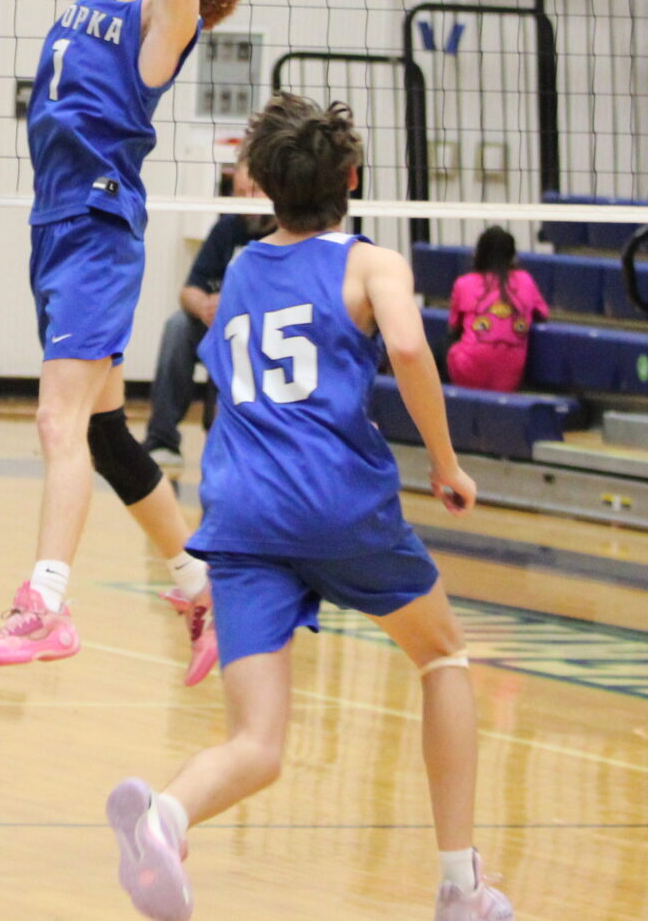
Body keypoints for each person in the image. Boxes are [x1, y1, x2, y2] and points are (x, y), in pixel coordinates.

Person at [106, 94, 510, 921]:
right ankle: (461, 889)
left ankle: (166, 816)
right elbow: (405, 345)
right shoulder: (371, 263)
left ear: (261, 186)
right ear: (353, 179)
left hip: (240, 518)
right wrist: (444, 462)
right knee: (442, 659)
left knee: (258, 742)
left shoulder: (245, 269)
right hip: (335, 502)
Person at [0, 0, 245, 678]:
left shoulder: (170, 21)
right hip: (56, 221)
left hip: (96, 222)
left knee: (55, 423)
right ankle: (200, 586)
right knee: (105, 432)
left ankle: (45, 604)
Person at [139, 162, 272, 469]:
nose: (247, 200)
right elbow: (188, 290)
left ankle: (242, 441)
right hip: (223, 328)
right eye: (240, 192)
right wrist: (204, 305)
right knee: (178, 326)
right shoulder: (227, 228)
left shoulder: (287, 230)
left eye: (254, 190)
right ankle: (162, 440)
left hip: (266, 331)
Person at [445, 226, 548, 393]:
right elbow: (542, 313)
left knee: (440, 347)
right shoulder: (525, 280)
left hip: (467, 372)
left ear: (478, 253)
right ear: (512, 256)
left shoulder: (464, 283)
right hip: (510, 375)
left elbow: (453, 327)